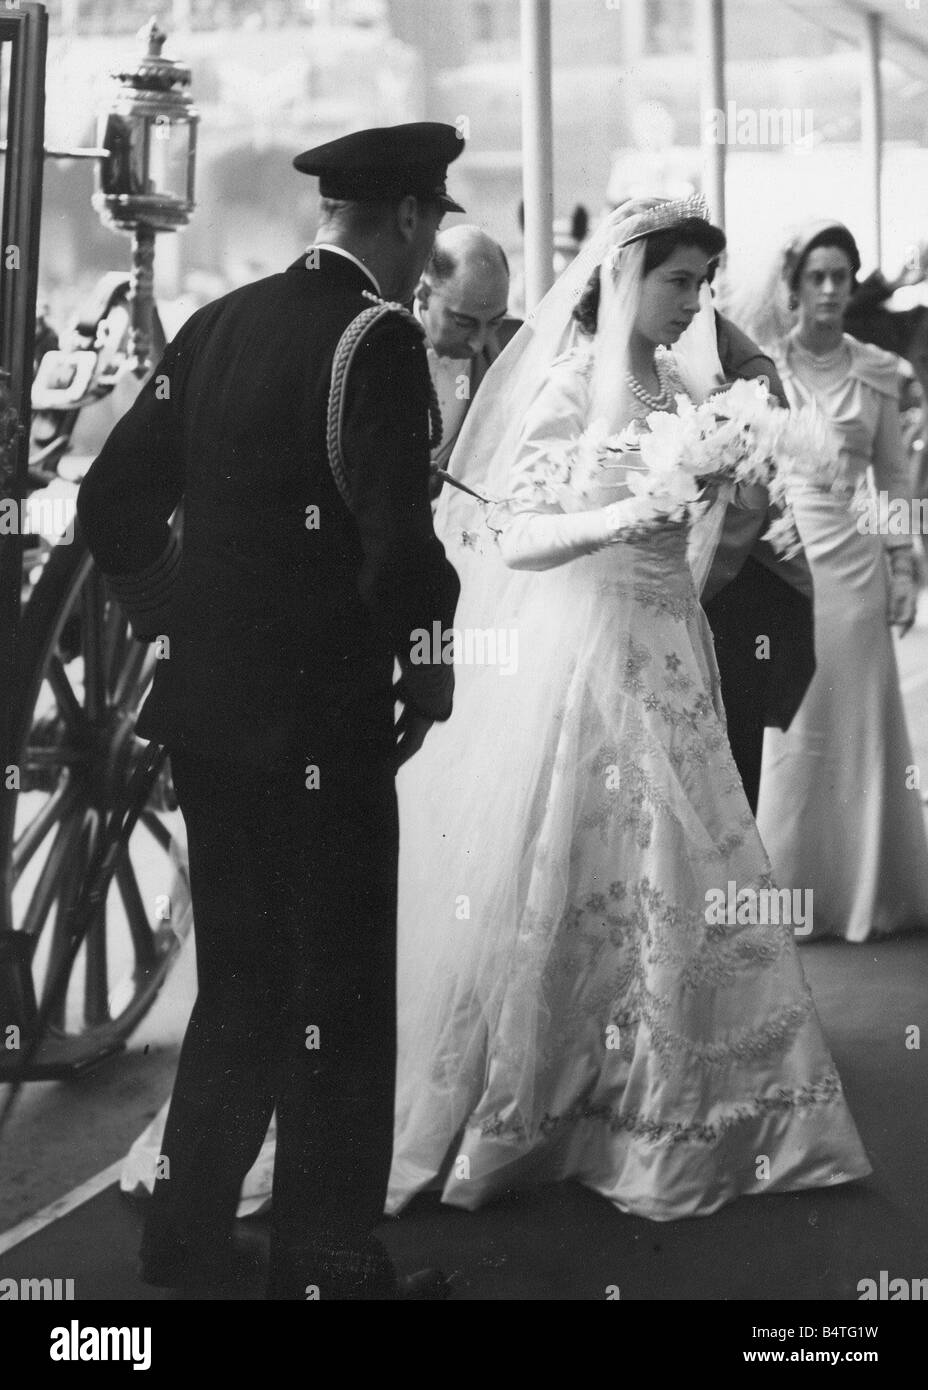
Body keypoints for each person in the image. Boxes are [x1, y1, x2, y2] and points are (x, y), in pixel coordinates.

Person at [386, 198, 871, 1219]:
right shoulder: (569, 386)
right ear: (619, 278)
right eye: (675, 280)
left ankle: (690, 1103)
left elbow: (703, 542)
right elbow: (512, 532)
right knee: (579, 865)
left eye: (702, 283)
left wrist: (728, 489)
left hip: (667, 649)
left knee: (693, 866)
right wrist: (622, 511)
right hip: (587, 651)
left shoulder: (685, 388)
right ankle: (559, 1099)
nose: (691, 301)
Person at [78, 122, 463, 1300]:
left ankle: (186, 1240)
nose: (429, 250)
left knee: (241, 982)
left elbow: (110, 499)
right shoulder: (377, 340)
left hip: (206, 721)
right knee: (335, 997)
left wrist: (166, 617)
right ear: (404, 217)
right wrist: (431, 659)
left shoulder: (219, 321)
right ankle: (329, 1263)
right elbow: (401, 552)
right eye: (432, 225)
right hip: (323, 731)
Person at [754, 221, 928, 941]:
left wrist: (903, 565)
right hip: (781, 562)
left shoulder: (879, 372)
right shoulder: (761, 371)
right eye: (817, 277)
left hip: (855, 568)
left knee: (855, 727)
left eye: (841, 278)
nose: (830, 290)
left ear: (854, 285)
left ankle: (866, 894)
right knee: (792, 731)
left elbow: (891, 476)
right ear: (794, 287)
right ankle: (789, 892)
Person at [702, 309, 816, 813]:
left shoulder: (745, 362)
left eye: (700, 282)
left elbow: (756, 494)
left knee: (730, 762)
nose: (691, 299)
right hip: (639, 588)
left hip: (729, 592)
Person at [413, 225, 518, 489]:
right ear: (424, 295)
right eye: (463, 322)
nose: (478, 342)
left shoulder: (512, 349)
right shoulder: (373, 346)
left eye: (494, 321)